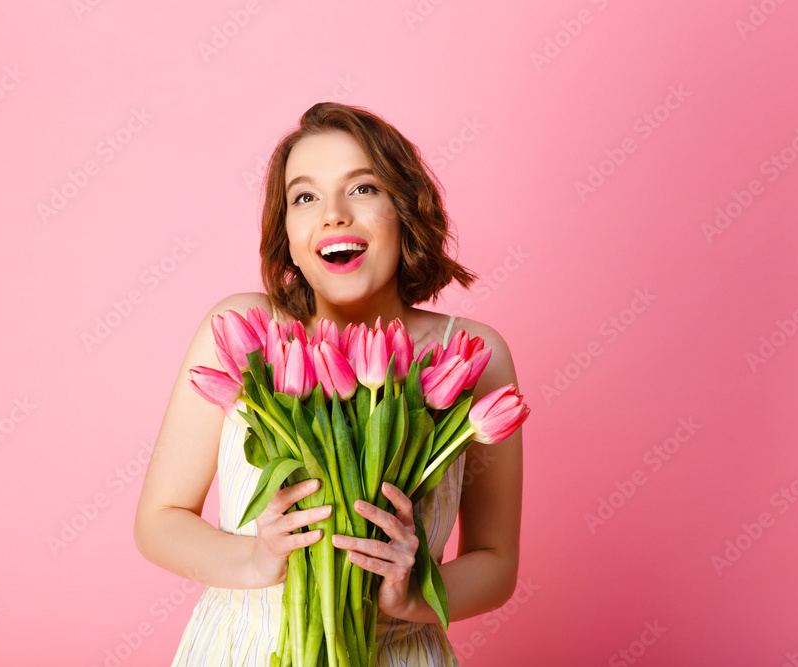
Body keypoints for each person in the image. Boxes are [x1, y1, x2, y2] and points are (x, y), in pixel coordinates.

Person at [133, 102, 523, 666]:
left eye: (363, 189)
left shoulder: (470, 356)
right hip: (241, 649)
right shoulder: (244, 333)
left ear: (405, 209)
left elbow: (495, 562)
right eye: (305, 197)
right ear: (287, 231)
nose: (333, 215)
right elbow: (158, 523)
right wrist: (257, 561)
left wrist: (413, 595)